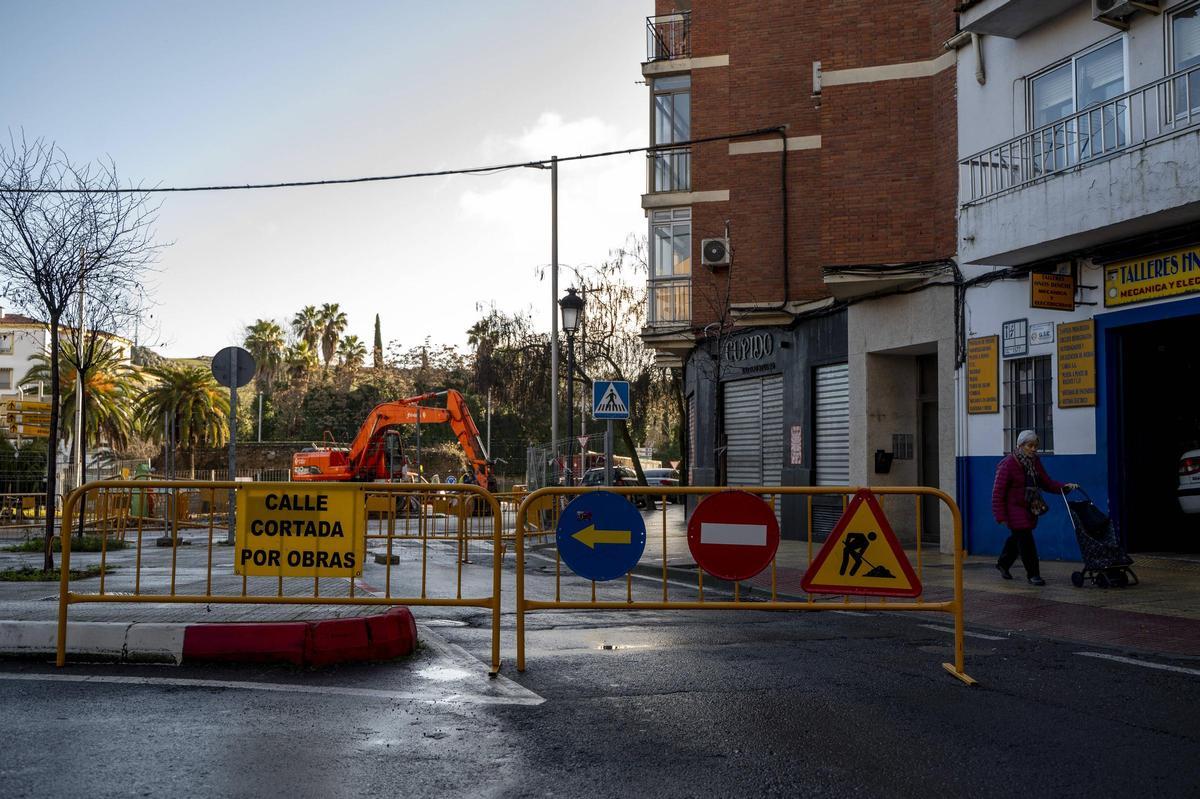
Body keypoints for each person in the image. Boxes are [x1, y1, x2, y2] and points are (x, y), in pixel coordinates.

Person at [991, 429, 1078, 586]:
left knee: (1017, 538)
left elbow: (1046, 482)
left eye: (1035, 446)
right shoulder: (1008, 464)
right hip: (1014, 508)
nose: (1033, 449)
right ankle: (1033, 574)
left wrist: (1064, 488)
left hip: (1029, 506)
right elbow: (998, 492)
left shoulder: (1035, 462)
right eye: (1030, 446)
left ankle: (1003, 564)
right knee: (1025, 539)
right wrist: (1000, 516)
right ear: (1020, 445)